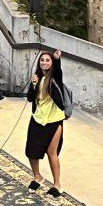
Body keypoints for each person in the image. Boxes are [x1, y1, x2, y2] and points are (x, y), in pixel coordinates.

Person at [25, 49, 67, 197]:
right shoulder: (36, 78)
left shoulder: (55, 77)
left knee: (52, 152)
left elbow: (58, 70)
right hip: (38, 118)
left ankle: (57, 185)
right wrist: (33, 84)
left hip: (54, 120)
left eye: (47, 60)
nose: (44, 62)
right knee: (31, 152)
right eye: (42, 60)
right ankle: (38, 177)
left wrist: (56, 59)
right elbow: (30, 98)